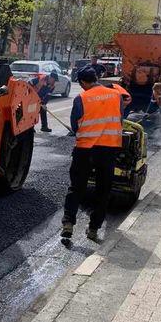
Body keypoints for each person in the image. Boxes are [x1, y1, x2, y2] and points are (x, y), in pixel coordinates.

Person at [61, 68, 123, 243]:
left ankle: (68, 224)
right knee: (103, 191)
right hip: (109, 149)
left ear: (82, 83)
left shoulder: (81, 98)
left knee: (76, 187)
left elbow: (75, 126)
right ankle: (94, 229)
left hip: (85, 150)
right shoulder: (116, 95)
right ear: (97, 78)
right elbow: (120, 120)